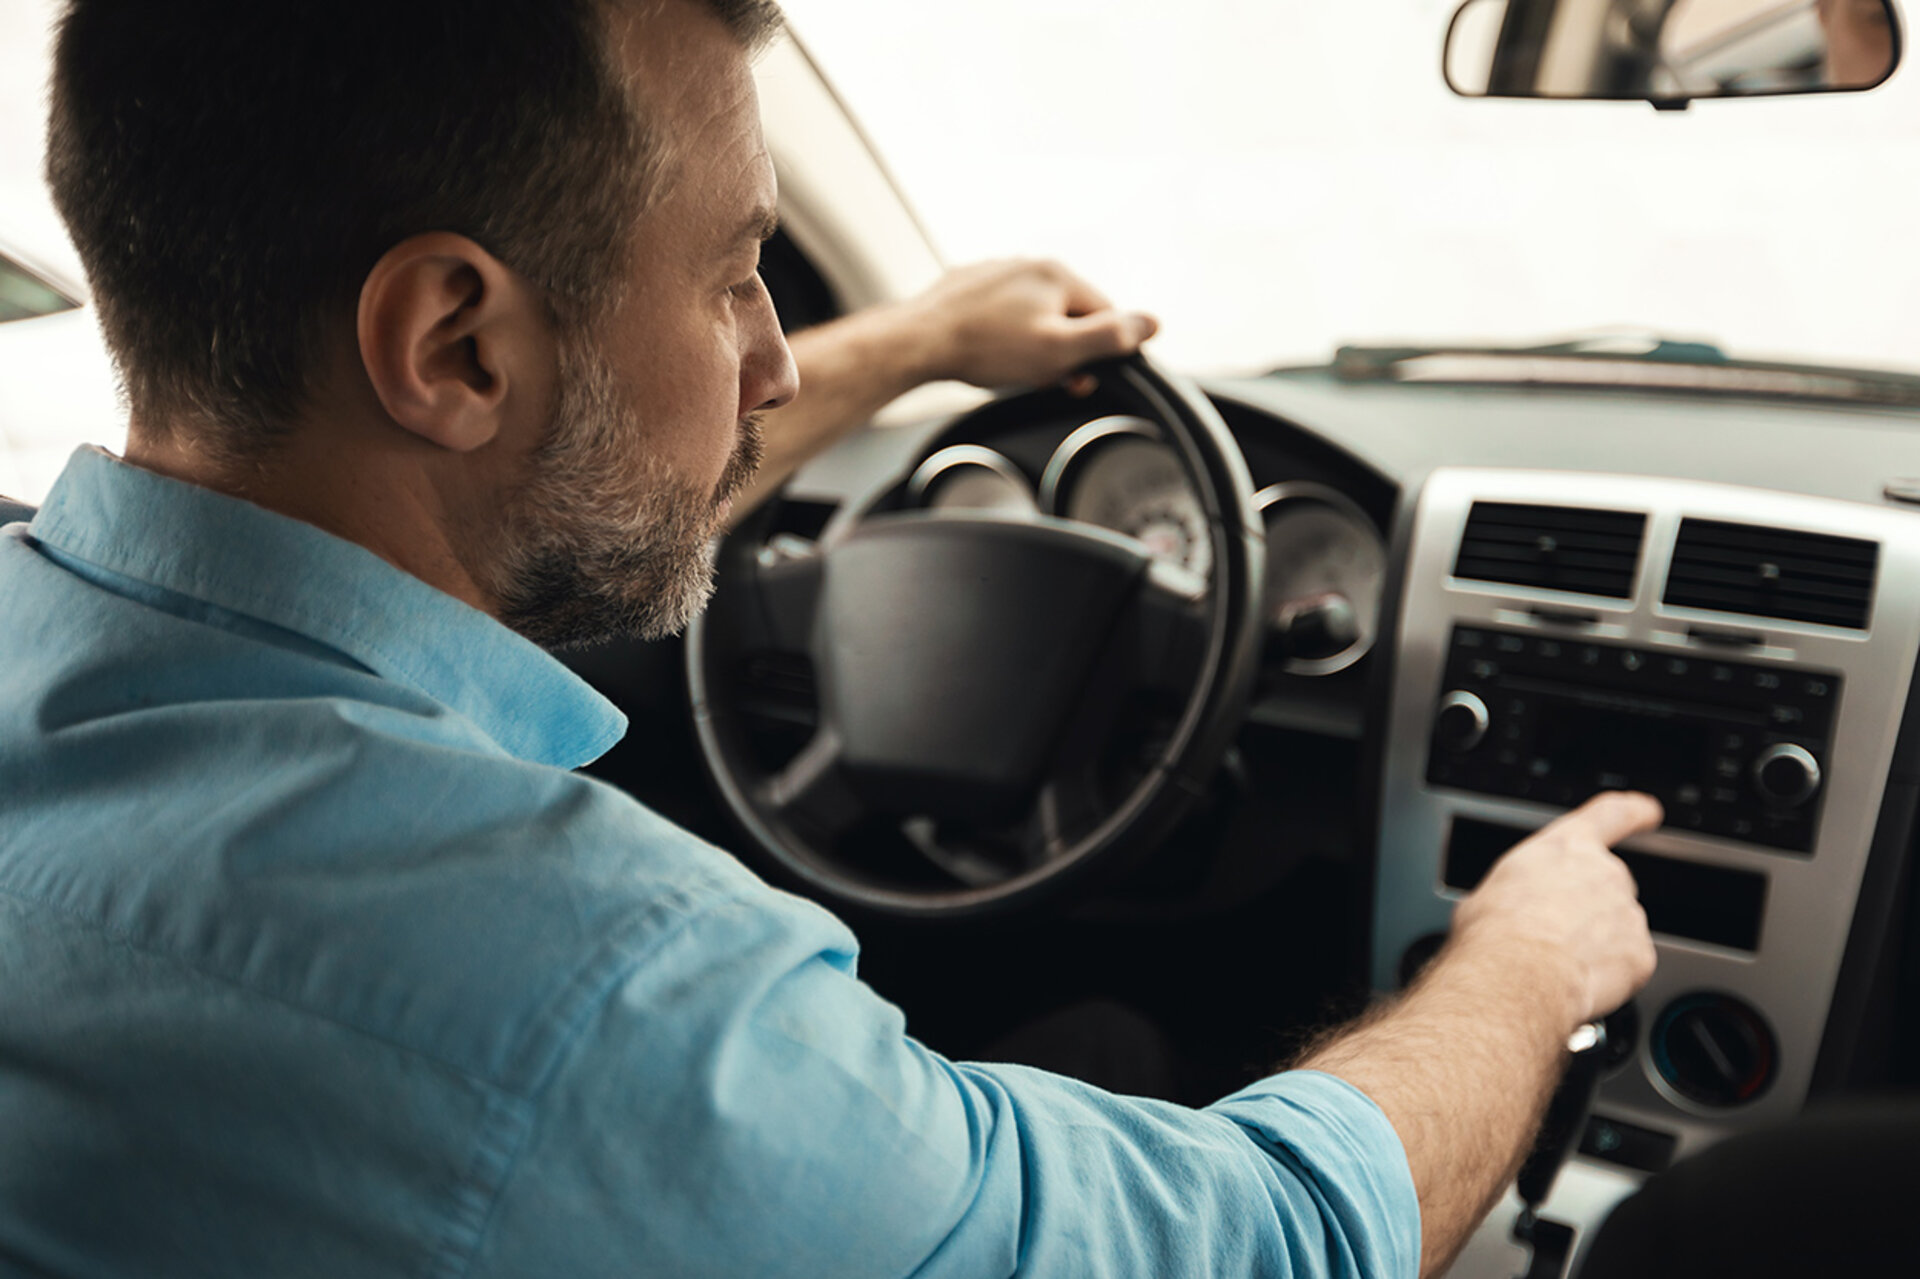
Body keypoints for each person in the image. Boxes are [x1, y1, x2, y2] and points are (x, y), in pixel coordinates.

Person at [0, 2, 1658, 1276]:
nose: (777, 363)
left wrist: (925, 344)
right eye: (733, 277)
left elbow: (566, 474)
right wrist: (1522, 968)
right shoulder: (587, 993)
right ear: (453, 342)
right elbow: (1242, 1247)